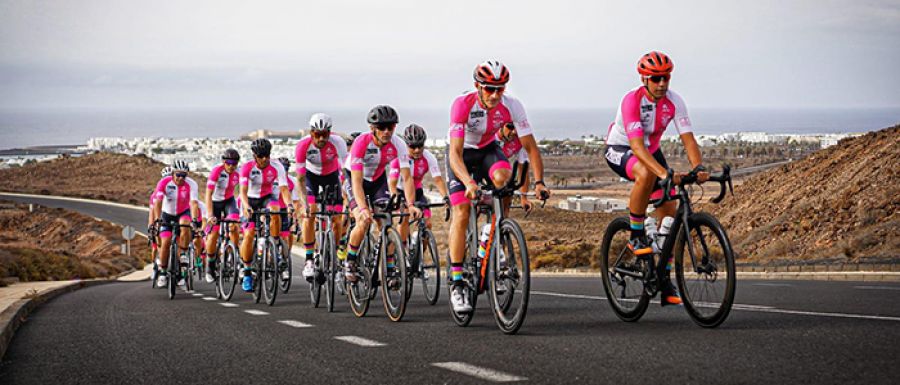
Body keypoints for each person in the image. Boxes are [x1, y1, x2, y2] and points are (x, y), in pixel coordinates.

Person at [604, 51, 708, 306]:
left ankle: (664, 277)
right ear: (644, 79)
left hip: (651, 152)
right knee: (646, 172)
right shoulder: (631, 101)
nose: (662, 83)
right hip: (621, 149)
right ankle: (636, 232)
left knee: (670, 215)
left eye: (666, 78)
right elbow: (637, 147)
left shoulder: (675, 101)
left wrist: (698, 168)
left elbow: (688, 139)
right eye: (656, 78)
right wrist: (665, 174)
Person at [445, 60, 550, 312]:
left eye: (499, 89)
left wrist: (539, 182)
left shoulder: (512, 106)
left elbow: (530, 147)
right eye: (489, 88)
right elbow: (455, 154)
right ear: (477, 87)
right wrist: (468, 182)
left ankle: (495, 230)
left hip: (488, 151)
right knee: (461, 211)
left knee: (504, 181)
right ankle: (457, 283)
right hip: (462, 156)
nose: (494, 95)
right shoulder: (463, 105)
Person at [345, 105, 421, 286]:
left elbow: (407, 176)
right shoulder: (361, 143)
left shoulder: (398, 144)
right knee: (363, 221)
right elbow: (356, 182)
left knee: (387, 222)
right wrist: (363, 208)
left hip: (378, 180)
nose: (387, 131)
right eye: (382, 128)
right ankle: (350, 260)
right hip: (356, 179)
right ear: (373, 128)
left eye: (391, 127)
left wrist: (411, 204)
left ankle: (389, 266)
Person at [294, 113, 348, 281]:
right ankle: (309, 259)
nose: (321, 138)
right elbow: (300, 179)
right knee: (310, 214)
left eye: (325, 134)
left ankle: (337, 258)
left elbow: (347, 172)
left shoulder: (338, 142)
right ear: (311, 133)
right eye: (317, 134)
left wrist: (347, 195)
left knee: (337, 218)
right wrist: (304, 204)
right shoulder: (302, 146)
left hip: (331, 176)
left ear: (330, 133)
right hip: (311, 178)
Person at [237, 138, 293, 292]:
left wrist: (289, 205)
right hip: (251, 200)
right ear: (255, 156)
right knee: (248, 235)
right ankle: (247, 271)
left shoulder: (277, 166)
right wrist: (246, 206)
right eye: (261, 156)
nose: (265, 159)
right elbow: (242, 191)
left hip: (267, 198)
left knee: (275, 208)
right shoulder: (246, 167)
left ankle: (274, 244)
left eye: (267, 155)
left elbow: (283, 189)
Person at [388, 123, 449, 248]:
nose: (417, 150)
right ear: (406, 145)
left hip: (417, 191)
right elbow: (392, 183)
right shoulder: (398, 159)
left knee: (427, 224)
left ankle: (419, 255)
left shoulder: (429, 157)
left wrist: (445, 197)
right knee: (404, 217)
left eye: (420, 146)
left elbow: (438, 180)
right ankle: (402, 250)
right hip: (400, 191)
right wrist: (395, 198)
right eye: (412, 146)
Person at [152, 160, 201, 287]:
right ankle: (163, 272)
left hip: (183, 213)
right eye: (178, 175)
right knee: (166, 242)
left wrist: (195, 220)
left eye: (183, 175)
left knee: (186, 223)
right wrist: (157, 219)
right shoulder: (164, 182)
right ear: (173, 173)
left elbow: (194, 203)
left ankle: (183, 254)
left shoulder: (191, 184)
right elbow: (157, 202)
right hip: (167, 214)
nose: (180, 178)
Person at [203, 149, 241, 283]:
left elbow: (245, 191)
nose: (231, 166)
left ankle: (233, 256)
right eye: (229, 163)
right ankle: (210, 265)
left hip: (229, 201)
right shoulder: (216, 172)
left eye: (235, 163)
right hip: (215, 203)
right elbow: (208, 194)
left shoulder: (237, 174)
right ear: (224, 162)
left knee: (234, 225)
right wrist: (210, 215)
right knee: (213, 235)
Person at [274, 156, 301, 280]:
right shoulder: (271, 180)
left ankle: (284, 261)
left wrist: (295, 217)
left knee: (286, 235)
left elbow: (295, 201)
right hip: (270, 210)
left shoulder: (292, 181)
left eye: (286, 169)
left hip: (284, 210)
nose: (283, 172)